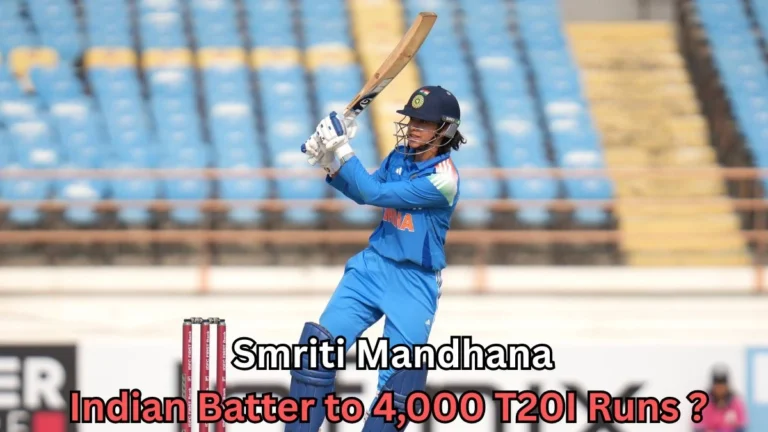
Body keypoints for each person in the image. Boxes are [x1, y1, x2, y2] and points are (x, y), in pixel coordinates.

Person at [286, 85, 466, 431]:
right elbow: (363, 193)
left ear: (445, 131)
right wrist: (331, 164)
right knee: (317, 354)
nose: (413, 126)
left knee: (399, 389)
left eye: (424, 122)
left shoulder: (444, 180)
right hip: (372, 268)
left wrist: (342, 147)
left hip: (414, 282)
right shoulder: (399, 157)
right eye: (412, 119)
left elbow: (374, 193)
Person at [694, 366, 748, 432]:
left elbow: (741, 426)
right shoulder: (704, 403)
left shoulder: (736, 402)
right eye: (717, 386)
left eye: (722, 386)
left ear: (727, 386)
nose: (720, 389)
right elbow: (698, 427)